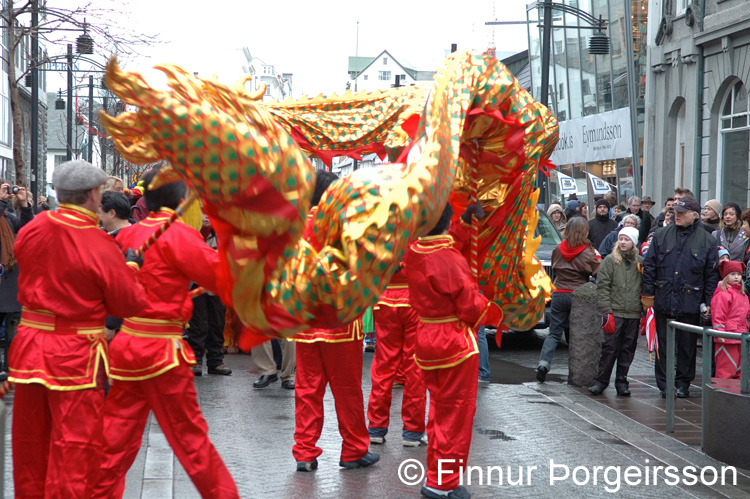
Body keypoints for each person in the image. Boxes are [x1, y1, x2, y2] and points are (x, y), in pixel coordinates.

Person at [93, 166, 239, 498]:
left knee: (113, 442)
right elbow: (220, 280)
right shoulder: (180, 235)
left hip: (127, 347)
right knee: (192, 443)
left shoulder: (128, 235)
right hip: (162, 353)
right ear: (180, 198)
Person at [8, 160, 148, 498]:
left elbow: (23, 257)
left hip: (29, 349)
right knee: (75, 450)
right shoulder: (100, 243)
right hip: (75, 355)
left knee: (29, 447)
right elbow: (128, 304)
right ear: (93, 195)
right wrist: (129, 270)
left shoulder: (34, 227)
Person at [405, 203, 501, 499]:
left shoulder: (414, 250)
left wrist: (462, 222)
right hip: (454, 342)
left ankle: (436, 474)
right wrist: (494, 312)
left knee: (439, 410)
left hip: (427, 337)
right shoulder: (449, 258)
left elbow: (442, 249)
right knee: (456, 415)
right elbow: (469, 305)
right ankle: (443, 482)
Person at [293, 170, 378, 472]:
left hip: (305, 322)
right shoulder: (345, 226)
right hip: (339, 322)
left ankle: (304, 451)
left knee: (307, 390)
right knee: (347, 390)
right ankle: (353, 448)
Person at [642, 196, 719, 399]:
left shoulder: (707, 240)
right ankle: (665, 384)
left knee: (687, 346)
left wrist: (709, 302)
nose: (677, 215)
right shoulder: (661, 235)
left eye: (682, 213)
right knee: (663, 347)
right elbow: (649, 266)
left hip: (690, 301)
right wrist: (648, 294)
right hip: (663, 297)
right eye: (676, 212)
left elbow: (711, 276)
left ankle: (683, 383)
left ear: (694, 216)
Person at [366, 264, 427, 447]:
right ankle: (412, 431)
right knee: (415, 368)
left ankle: (376, 427)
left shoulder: (382, 235)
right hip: (414, 301)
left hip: (384, 299)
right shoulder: (418, 235)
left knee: (383, 365)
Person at [537, 216, 600, 382]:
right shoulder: (587, 251)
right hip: (578, 295)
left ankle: (544, 363)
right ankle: (577, 372)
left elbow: (555, 266)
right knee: (576, 336)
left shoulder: (557, 248)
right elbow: (597, 272)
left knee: (554, 333)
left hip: (558, 293)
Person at [589, 227, 643, 396]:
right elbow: (603, 286)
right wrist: (606, 310)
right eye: (621, 239)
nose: (623, 242)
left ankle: (622, 381)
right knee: (609, 348)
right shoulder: (611, 260)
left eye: (627, 239)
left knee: (628, 349)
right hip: (615, 311)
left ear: (633, 242)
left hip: (633, 312)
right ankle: (601, 380)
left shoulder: (640, 262)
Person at [187, 210, 231, 376]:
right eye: (203, 214)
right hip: (196, 284)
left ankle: (216, 361)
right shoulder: (191, 232)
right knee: (199, 323)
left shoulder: (222, 233)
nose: (206, 217)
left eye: (209, 214)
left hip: (218, 284)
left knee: (218, 322)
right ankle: (195, 360)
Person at [0, 179, 34, 379]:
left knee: (12, 325)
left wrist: (24, 204)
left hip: (10, 281)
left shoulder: (8, 217)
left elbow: (27, 229)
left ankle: (9, 367)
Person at [711, 260, 749, 379]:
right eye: (732, 274)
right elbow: (718, 315)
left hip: (740, 336)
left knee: (739, 371)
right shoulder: (722, 294)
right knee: (726, 370)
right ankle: (722, 395)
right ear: (726, 277)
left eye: (738, 274)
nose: (736, 277)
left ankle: (735, 395)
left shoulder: (743, 295)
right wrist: (719, 332)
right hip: (727, 337)